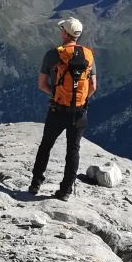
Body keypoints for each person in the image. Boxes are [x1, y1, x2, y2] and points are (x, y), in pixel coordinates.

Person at [30, 17, 97, 201]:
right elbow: (93, 86)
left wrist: (57, 93)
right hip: (79, 112)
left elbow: (42, 85)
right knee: (73, 150)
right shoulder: (88, 55)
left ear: (65, 33)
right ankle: (65, 191)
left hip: (57, 110)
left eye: (62, 30)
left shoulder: (53, 54)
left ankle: (36, 183)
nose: (60, 32)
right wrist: (80, 101)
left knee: (46, 145)